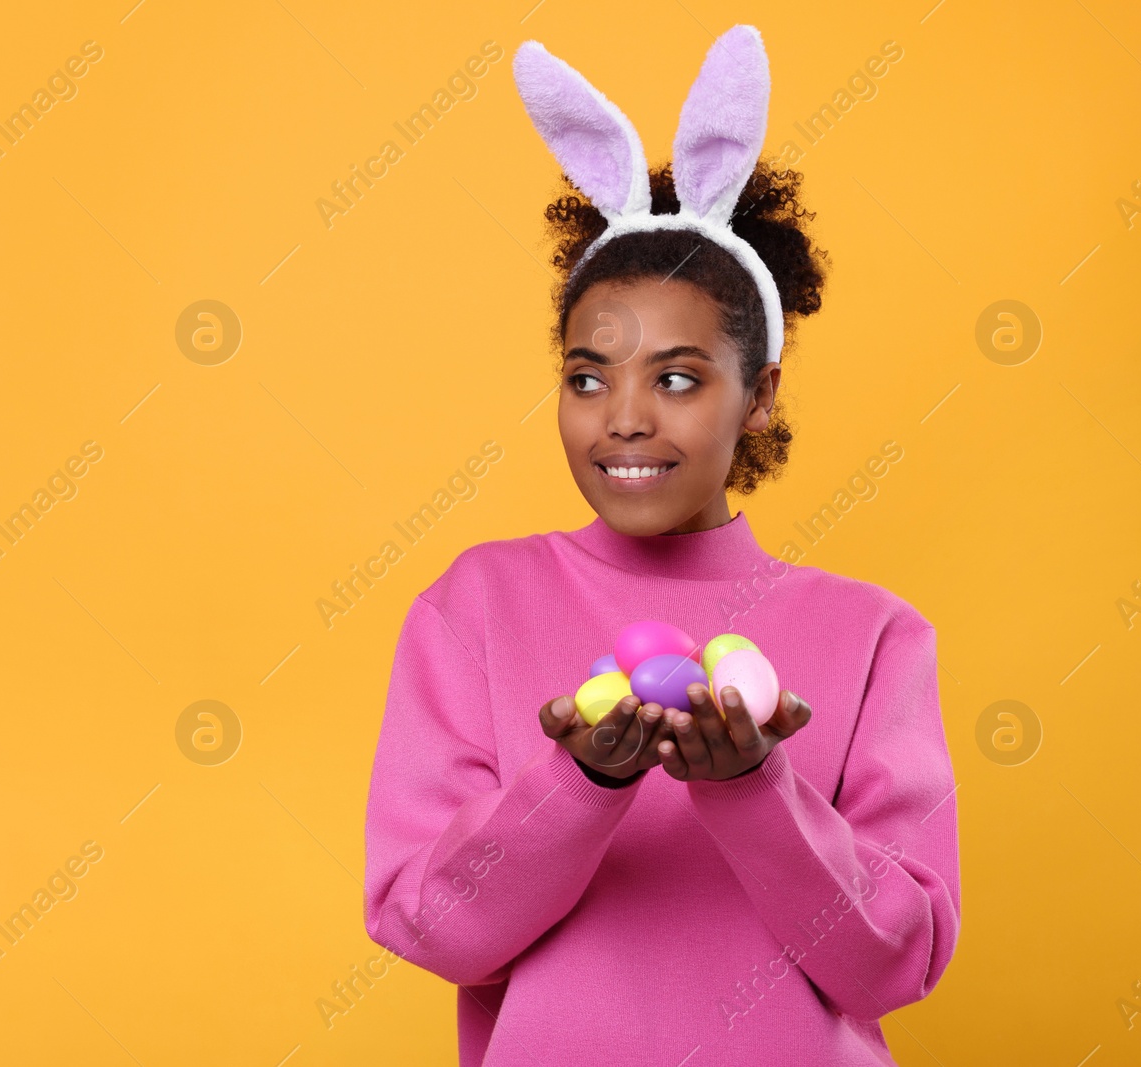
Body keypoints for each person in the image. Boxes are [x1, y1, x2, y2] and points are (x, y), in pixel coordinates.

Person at [361, 25, 960, 1066]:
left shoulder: (874, 636)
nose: (622, 417)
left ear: (759, 395)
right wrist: (578, 784)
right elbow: (430, 928)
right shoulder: (474, 606)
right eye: (588, 376)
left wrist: (751, 788)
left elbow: (891, 964)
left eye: (676, 378)